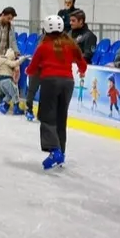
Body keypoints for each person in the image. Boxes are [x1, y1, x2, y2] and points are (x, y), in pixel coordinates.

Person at [26, 15, 87, 170]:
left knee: (47, 116)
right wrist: (81, 71)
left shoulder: (43, 46)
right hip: (68, 83)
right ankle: (61, 152)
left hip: (50, 82)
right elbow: (82, 64)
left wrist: (28, 71)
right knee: (61, 117)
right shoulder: (71, 45)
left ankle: (55, 150)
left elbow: (32, 68)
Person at [0, 49, 24, 116]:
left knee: (9, 95)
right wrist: (22, 59)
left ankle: (2, 106)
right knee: (14, 93)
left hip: (1, 81)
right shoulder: (7, 61)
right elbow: (14, 64)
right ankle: (16, 109)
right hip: (7, 80)